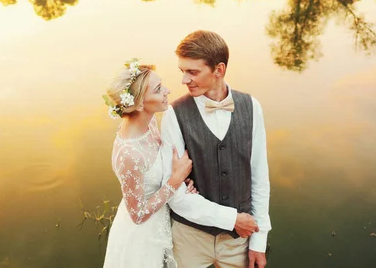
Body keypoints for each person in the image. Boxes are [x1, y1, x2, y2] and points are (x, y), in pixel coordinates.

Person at [103, 59, 255, 268]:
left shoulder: (149, 126)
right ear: (138, 103)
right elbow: (137, 215)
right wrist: (174, 182)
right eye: (158, 90)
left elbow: (163, 168)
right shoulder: (128, 153)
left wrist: (183, 183)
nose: (167, 91)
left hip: (163, 220)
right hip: (143, 237)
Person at [162, 30, 271, 268]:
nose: (184, 80)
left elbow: (259, 176)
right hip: (189, 238)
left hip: (239, 240)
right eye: (182, 71)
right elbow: (176, 192)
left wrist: (258, 241)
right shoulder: (173, 114)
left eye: (193, 72)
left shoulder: (252, 107)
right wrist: (233, 219)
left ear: (218, 70)